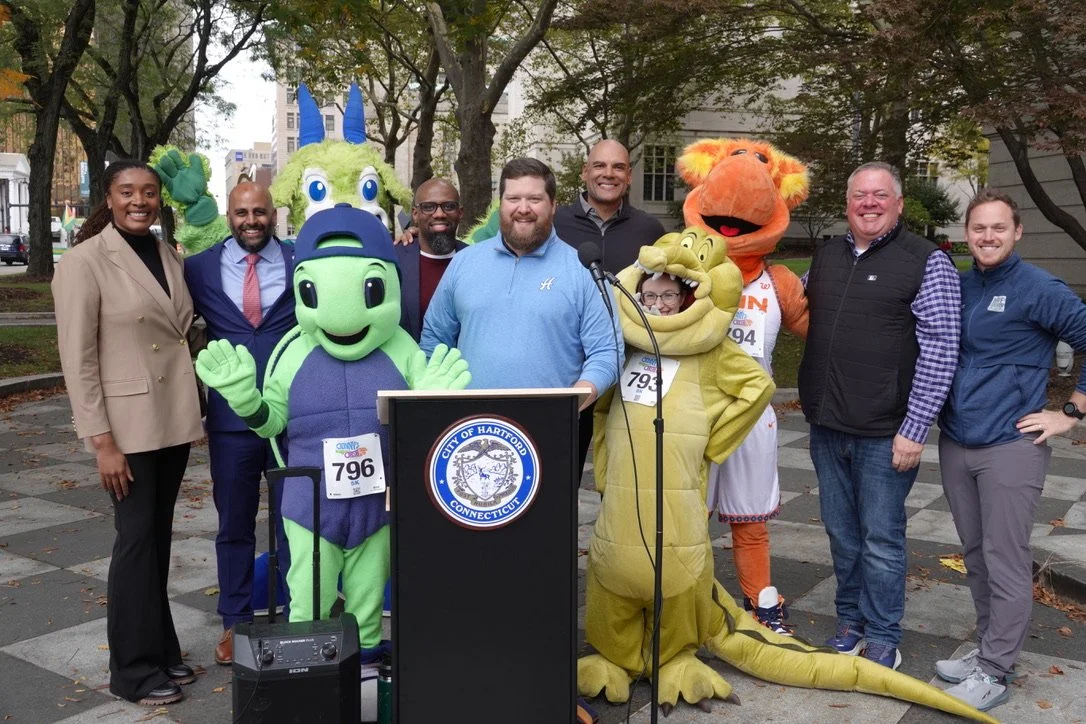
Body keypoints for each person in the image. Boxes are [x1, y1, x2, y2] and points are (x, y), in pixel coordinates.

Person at [798, 161, 961, 669]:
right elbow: (786, 305)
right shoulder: (825, 256)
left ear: (899, 203)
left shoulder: (926, 261)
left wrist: (915, 430)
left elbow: (942, 349)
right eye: (859, 196)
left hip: (885, 433)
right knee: (841, 534)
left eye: (879, 195)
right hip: (827, 426)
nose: (868, 204)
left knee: (881, 540)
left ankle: (885, 634)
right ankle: (850, 620)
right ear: (847, 203)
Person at [53, 161, 204, 706]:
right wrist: (102, 441)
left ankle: (160, 649)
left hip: (171, 421)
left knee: (157, 540)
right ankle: (132, 671)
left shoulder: (167, 255)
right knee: (136, 543)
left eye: (148, 192)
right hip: (127, 429)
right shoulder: (84, 262)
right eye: (126, 192)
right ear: (109, 199)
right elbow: (78, 360)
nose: (139, 201)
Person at [934, 188, 1086, 712]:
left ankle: (997, 671)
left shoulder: (1038, 287)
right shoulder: (961, 284)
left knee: (1005, 558)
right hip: (957, 441)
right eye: (979, 228)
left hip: (1010, 445)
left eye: (999, 228)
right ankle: (987, 651)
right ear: (967, 233)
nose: (988, 237)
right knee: (976, 555)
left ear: (1017, 232)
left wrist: (1070, 413)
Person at [182, 181, 296, 666]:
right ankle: (235, 621)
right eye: (242, 212)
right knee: (235, 525)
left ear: (274, 214)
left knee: (297, 522)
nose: (252, 220)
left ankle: (300, 612)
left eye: (260, 212)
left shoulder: (299, 259)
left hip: (292, 413)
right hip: (230, 421)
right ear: (229, 215)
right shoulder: (198, 268)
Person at [421, 157, 620, 413]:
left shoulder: (582, 270)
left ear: (553, 206)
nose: (523, 208)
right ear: (501, 205)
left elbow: (607, 351)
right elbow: (434, 340)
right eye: (513, 199)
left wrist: (578, 396)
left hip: (550, 426)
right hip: (469, 426)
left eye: (535, 199)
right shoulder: (463, 263)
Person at [554, 139, 666, 482]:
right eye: (600, 166)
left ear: (629, 176)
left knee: (626, 478)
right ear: (585, 172)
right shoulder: (554, 223)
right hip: (569, 368)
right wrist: (415, 234)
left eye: (618, 167)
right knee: (559, 476)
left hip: (631, 368)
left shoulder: (649, 230)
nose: (608, 173)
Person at [395, 178, 468, 341]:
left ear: (460, 213)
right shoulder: (395, 260)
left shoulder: (475, 260)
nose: (439, 214)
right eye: (429, 207)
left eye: (449, 206)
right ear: (415, 214)